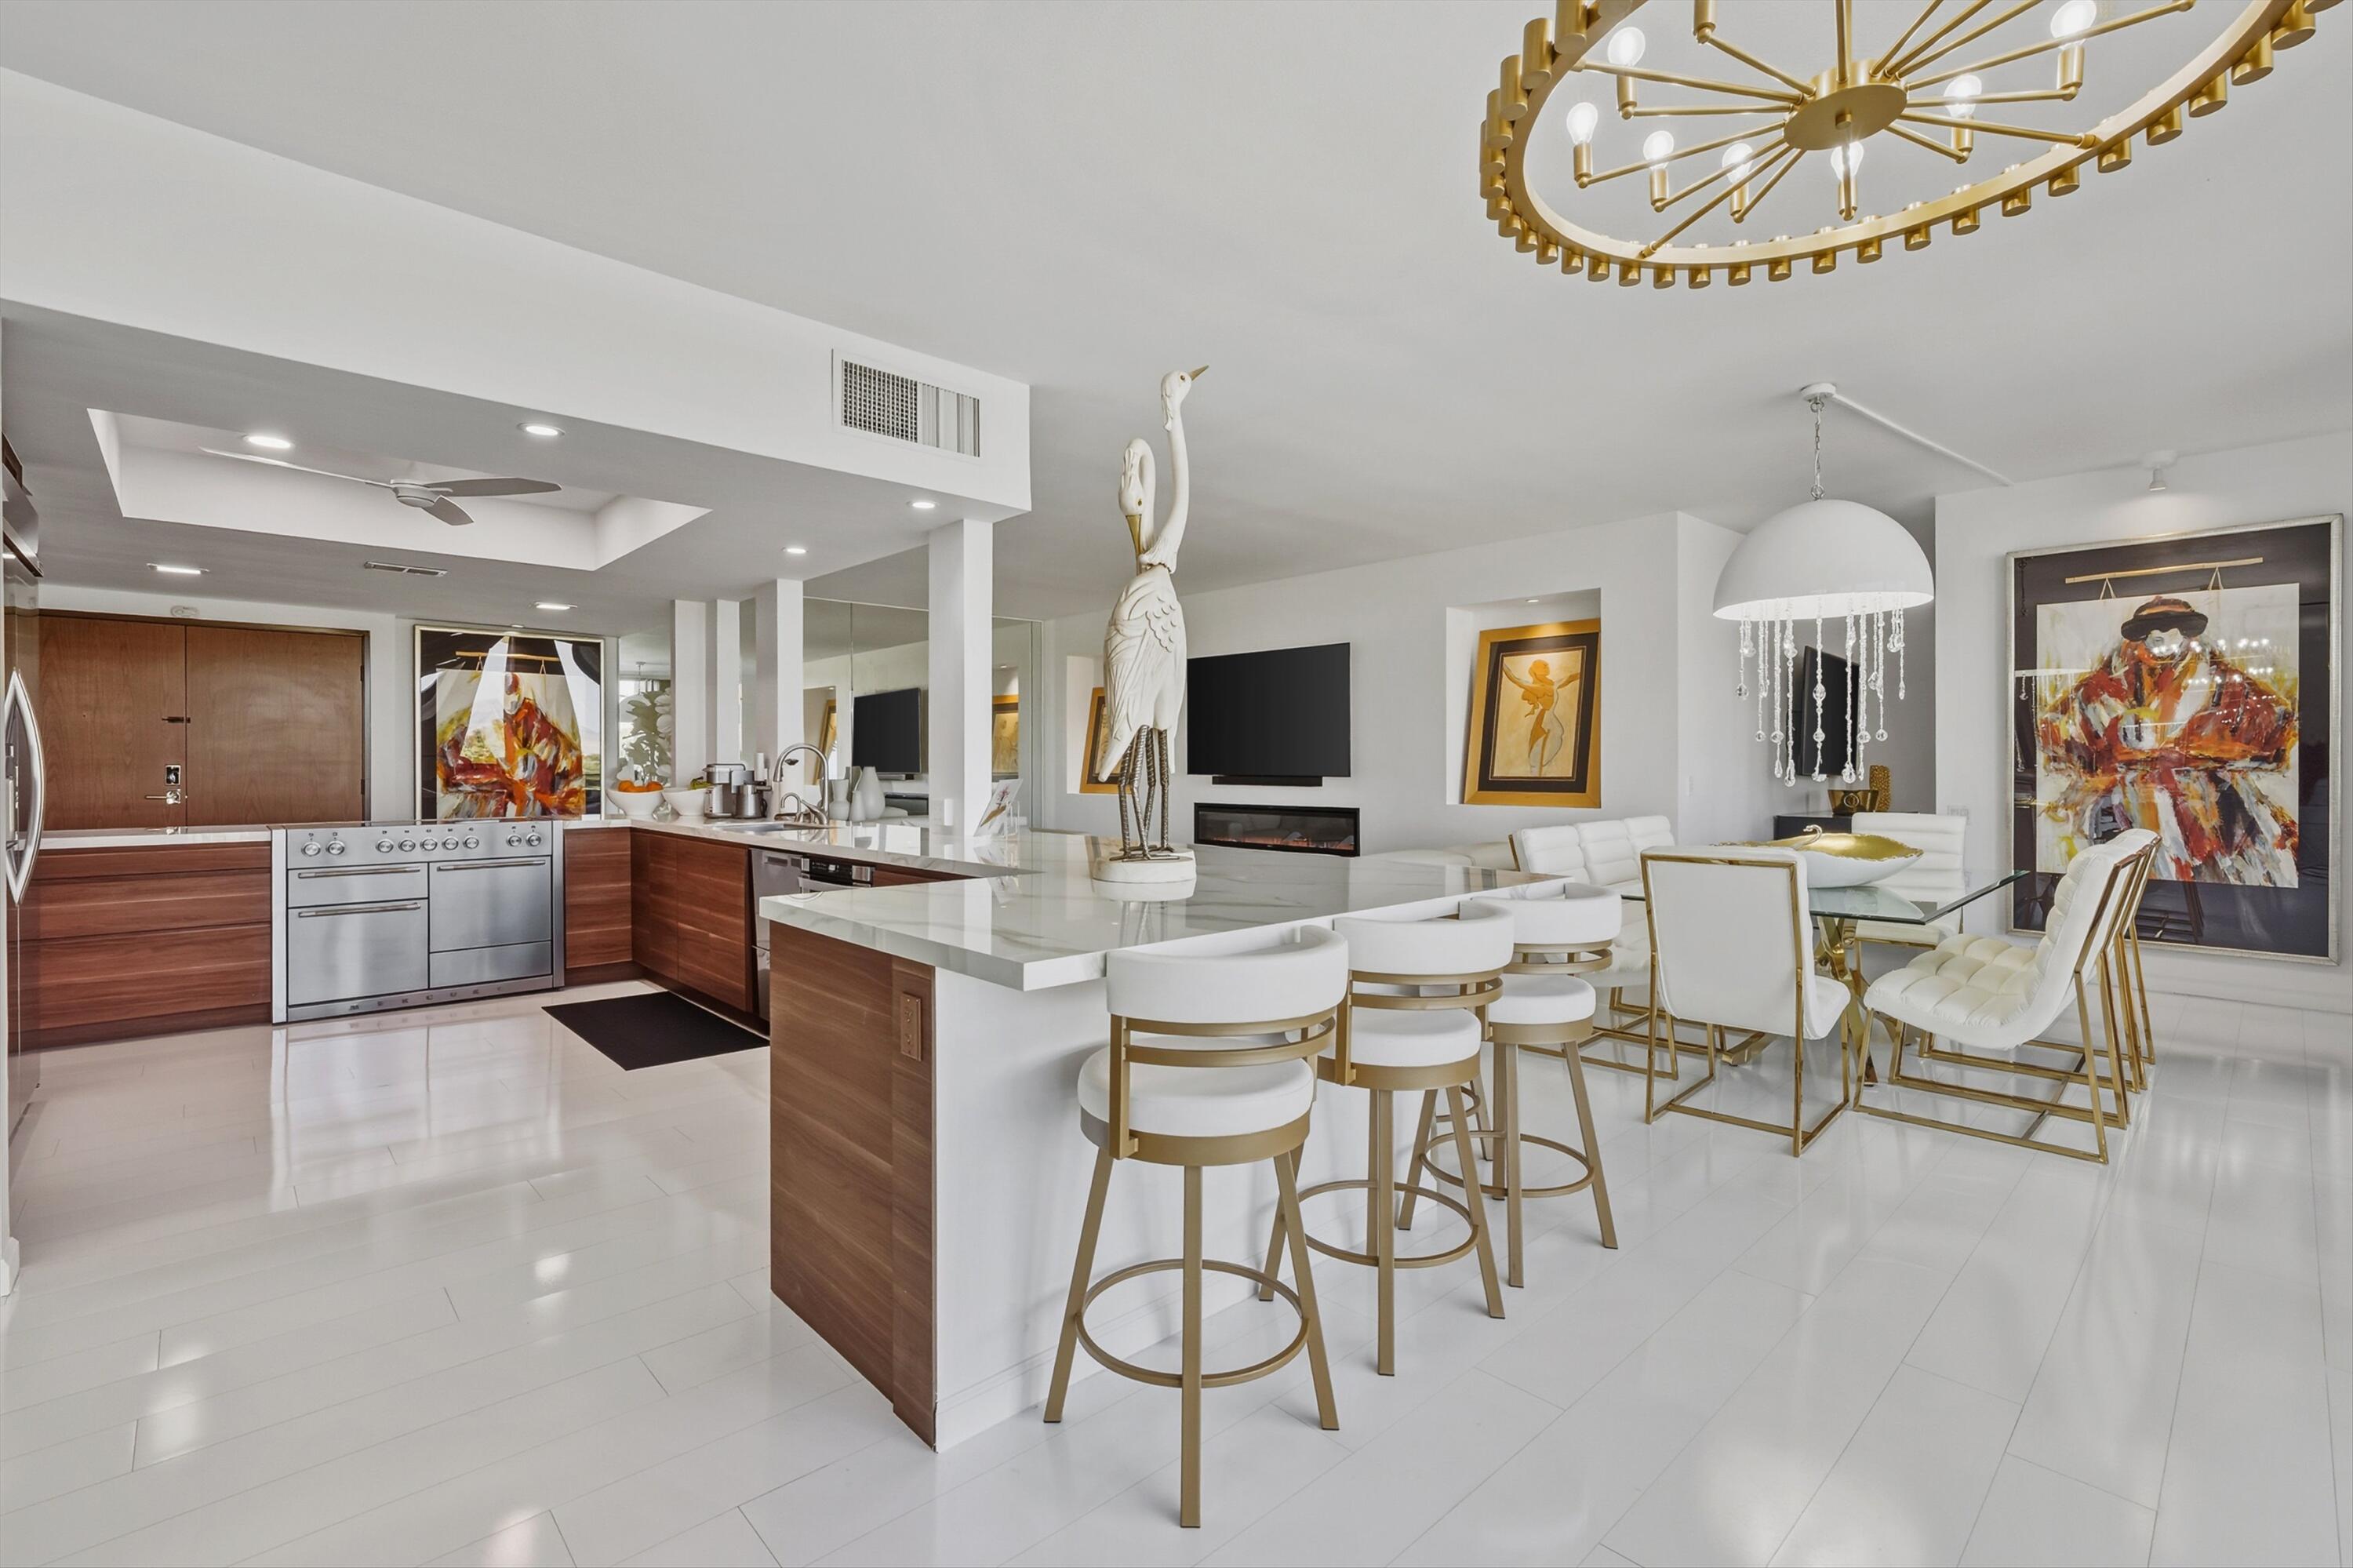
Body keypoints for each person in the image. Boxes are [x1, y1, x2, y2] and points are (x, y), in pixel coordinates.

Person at [2038, 593, 2298, 884]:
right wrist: (2107, 759)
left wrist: (2202, 752)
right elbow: (2059, 728)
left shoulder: (2220, 679)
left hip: (2208, 800)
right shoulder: (2107, 683)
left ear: (2186, 635)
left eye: (2170, 632)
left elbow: (2274, 723)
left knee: (2224, 864)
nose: (2161, 640)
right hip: (2124, 799)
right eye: (2154, 634)